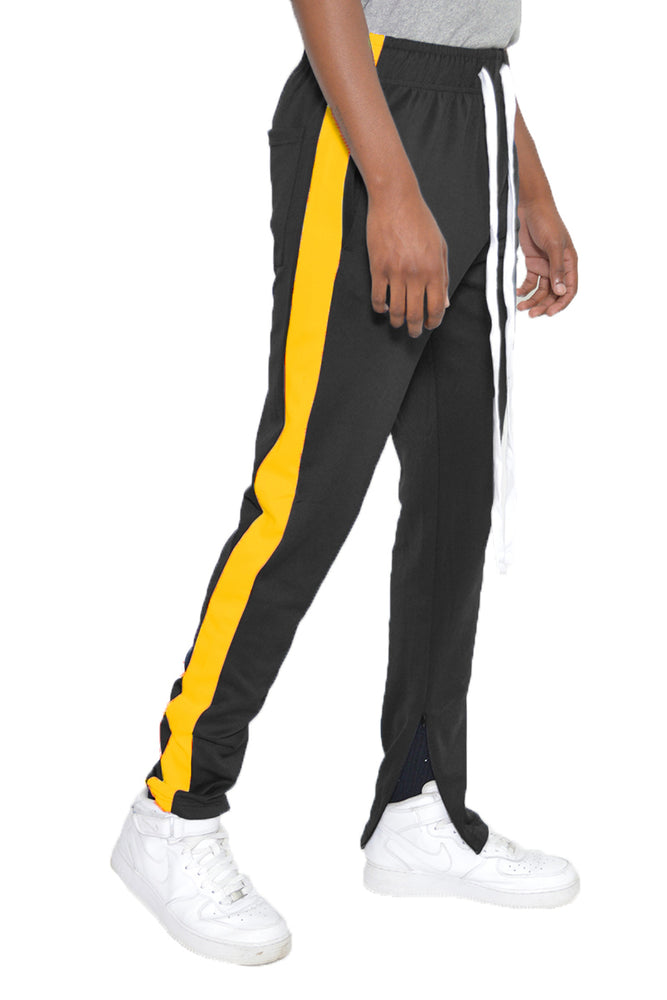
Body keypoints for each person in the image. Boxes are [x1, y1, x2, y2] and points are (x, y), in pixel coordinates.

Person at [110, 0, 580, 966]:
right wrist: (393, 187)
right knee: (305, 500)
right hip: (371, 120)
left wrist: (527, 183)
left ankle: (419, 800)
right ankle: (174, 808)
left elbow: (467, 23)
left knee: (457, 499)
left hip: (480, 117)